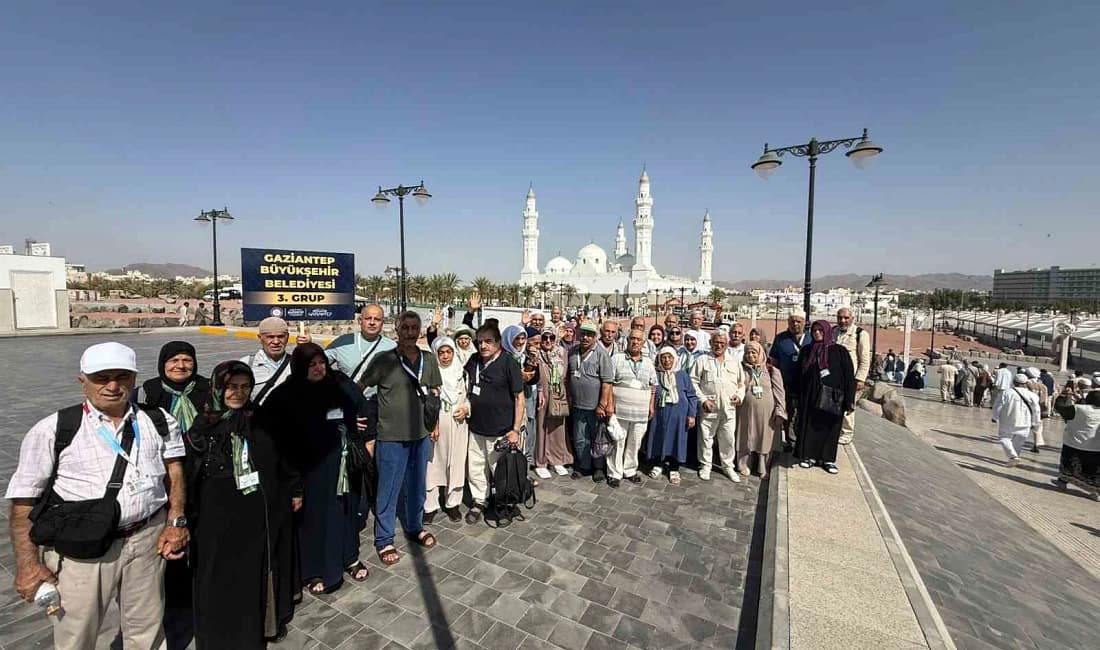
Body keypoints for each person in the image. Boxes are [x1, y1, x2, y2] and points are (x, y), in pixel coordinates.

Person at [6, 342, 188, 650]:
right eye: (102, 377)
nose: (113, 386)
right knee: (77, 634)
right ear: (83, 380)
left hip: (145, 539)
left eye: (122, 377)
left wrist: (176, 521)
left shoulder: (157, 421)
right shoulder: (54, 429)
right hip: (82, 552)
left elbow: (174, 474)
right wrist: (27, 565)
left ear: (134, 379)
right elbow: (24, 502)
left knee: (146, 628)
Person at [186, 361, 298, 647]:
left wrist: (293, 488)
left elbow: (281, 459)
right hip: (214, 518)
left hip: (253, 514)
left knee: (251, 577)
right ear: (218, 387)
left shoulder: (260, 420)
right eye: (231, 386)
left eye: (245, 387)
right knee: (215, 577)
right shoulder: (202, 426)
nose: (238, 392)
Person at [263, 343, 367, 592]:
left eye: (321, 362)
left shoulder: (338, 382)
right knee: (315, 518)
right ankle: (316, 570)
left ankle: (349, 557)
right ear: (300, 367)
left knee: (344, 512)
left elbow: (361, 406)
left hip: (341, 464)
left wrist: (357, 428)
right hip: (310, 469)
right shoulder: (288, 394)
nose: (318, 368)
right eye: (311, 364)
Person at [134, 340, 209, 644]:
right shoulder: (150, 392)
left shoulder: (206, 387)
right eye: (174, 360)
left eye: (187, 360)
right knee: (170, 535)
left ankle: (200, 588)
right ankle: (174, 599)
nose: (181, 366)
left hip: (203, 473)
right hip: (165, 475)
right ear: (163, 363)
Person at [359, 312, 442, 562]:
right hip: (391, 437)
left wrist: (434, 424)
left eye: (414, 327)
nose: (409, 332)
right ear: (396, 330)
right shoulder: (384, 360)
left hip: (420, 435)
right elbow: (360, 388)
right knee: (388, 490)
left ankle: (415, 526)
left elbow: (435, 392)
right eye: (404, 327)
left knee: (417, 487)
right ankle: (385, 539)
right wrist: (356, 416)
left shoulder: (428, 359)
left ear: (419, 330)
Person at [463, 323, 525, 524]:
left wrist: (515, 430)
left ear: (498, 343)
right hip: (476, 428)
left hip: (501, 431)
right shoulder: (473, 361)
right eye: (480, 342)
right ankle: (479, 500)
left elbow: (519, 397)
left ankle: (503, 505)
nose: (483, 346)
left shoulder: (509, 363)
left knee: (501, 472)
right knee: (475, 468)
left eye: (488, 341)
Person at [793, 321, 856, 474]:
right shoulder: (807, 350)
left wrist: (849, 400)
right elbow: (798, 374)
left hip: (832, 398)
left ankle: (827, 459)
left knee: (830, 428)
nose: (817, 333)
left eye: (820, 330)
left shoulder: (840, 351)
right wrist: (795, 395)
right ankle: (809, 456)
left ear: (827, 331)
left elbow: (848, 377)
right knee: (810, 426)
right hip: (810, 396)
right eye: (814, 330)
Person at [690, 330, 745, 482]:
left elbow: (741, 384)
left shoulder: (734, 361)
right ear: (710, 343)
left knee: (728, 439)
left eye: (722, 343)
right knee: (706, 439)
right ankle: (705, 466)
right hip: (709, 408)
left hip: (728, 408)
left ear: (726, 344)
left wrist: (739, 396)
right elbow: (693, 381)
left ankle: (728, 467)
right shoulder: (702, 360)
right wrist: (702, 400)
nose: (719, 346)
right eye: (716, 343)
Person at [424, 337, 468, 523]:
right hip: (437, 425)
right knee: (433, 465)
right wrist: (432, 424)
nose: (445, 356)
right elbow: (426, 401)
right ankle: (430, 505)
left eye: (448, 352)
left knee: (456, 465)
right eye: (441, 352)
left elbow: (470, 397)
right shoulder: (430, 375)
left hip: (458, 425)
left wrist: (466, 409)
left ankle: (453, 503)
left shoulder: (462, 373)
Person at [607, 330, 657, 488]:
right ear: (627, 340)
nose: (635, 342)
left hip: (640, 412)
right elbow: (609, 383)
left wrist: (651, 405)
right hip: (620, 411)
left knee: (635, 443)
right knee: (618, 442)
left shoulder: (649, 362)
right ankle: (614, 473)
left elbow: (653, 385)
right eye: (632, 339)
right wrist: (609, 405)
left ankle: (629, 470)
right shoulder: (617, 358)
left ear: (643, 343)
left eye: (639, 340)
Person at [566, 322, 614, 481]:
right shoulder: (572, 351)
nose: (585, 337)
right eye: (583, 334)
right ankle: (583, 465)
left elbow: (607, 382)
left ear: (595, 336)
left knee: (597, 438)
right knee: (580, 438)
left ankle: (598, 467)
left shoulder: (601, 354)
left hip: (596, 408)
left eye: (590, 334)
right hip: (578, 405)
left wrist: (602, 404)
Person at [646, 345, 698, 485]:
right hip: (660, 414)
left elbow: (692, 395)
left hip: (679, 415)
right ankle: (658, 464)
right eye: (664, 358)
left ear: (675, 359)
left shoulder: (682, 375)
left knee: (677, 439)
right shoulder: (656, 375)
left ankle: (674, 467)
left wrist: (692, 414)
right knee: (659, 437)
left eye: (670, 357)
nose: (667, 360)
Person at [737, 341, 786, 479]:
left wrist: (780, 411)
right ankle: (744, 464)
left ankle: (763, 467)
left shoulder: (772, 371)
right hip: (745, 412)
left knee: (764, 439)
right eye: (748, 352)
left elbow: (780, 393)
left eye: (754, 352)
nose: (750, 355)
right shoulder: (740, 369)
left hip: (767, 414)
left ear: (761, 354)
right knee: (745, 437)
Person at [768, 312, 811, 449]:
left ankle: (802, 441)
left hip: (806, 384)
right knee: (787, 412)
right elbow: (774, 361)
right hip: (785, 383)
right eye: (792, 321)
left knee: (804, 414)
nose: (795, 324)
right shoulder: (780, 339)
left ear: (804, 322)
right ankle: (788, 441)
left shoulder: (811, 339)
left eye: (798, 321)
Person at [535, 327, 573, 478]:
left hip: (558, 393)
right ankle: (541, 461)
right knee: (541, 426)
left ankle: (557, 459)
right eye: (545, 338)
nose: (548, 341)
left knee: (558, 427)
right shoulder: (536, 353)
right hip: (542, 394)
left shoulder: (562, 352)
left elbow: (564, 374)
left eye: (551, 338)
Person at [1051, 385, 1100, 500]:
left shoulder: (1078, 409)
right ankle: (1096, 492)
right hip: (1095, 446)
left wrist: (1064, 396)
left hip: (1073, 443)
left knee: (1068, 464)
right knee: (1093, 470)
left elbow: (1060, 408)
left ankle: (1062, 481)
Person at [833, 308, 870, 445]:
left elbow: (865, 358)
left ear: (852, 318)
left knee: (849, 405)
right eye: (840, 317)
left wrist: (860, 378)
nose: (842, 320)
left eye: (846, 318)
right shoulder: (833, 332)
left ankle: (847, 433)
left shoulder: (860, 334)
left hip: (851, 378)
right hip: (835, 377)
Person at [242, 317, 295, 405]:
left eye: (280, 336)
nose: (276, 341)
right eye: (270, 337)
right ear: (260, 338)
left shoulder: (297, 364)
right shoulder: (247, 364)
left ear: (287, 337)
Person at [992, 373, 1040, 466]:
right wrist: (1035, 422)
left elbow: (998, 405)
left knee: (1004, 438)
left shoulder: (1006, 392)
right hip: (1026, 422)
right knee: (1019, 441)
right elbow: (1036, 410)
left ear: (1014, 382)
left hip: (1008, 420)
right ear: (1026, 383)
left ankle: (1013, 457)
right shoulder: (1032, 395)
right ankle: (1014, 456)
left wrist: (995, 417)